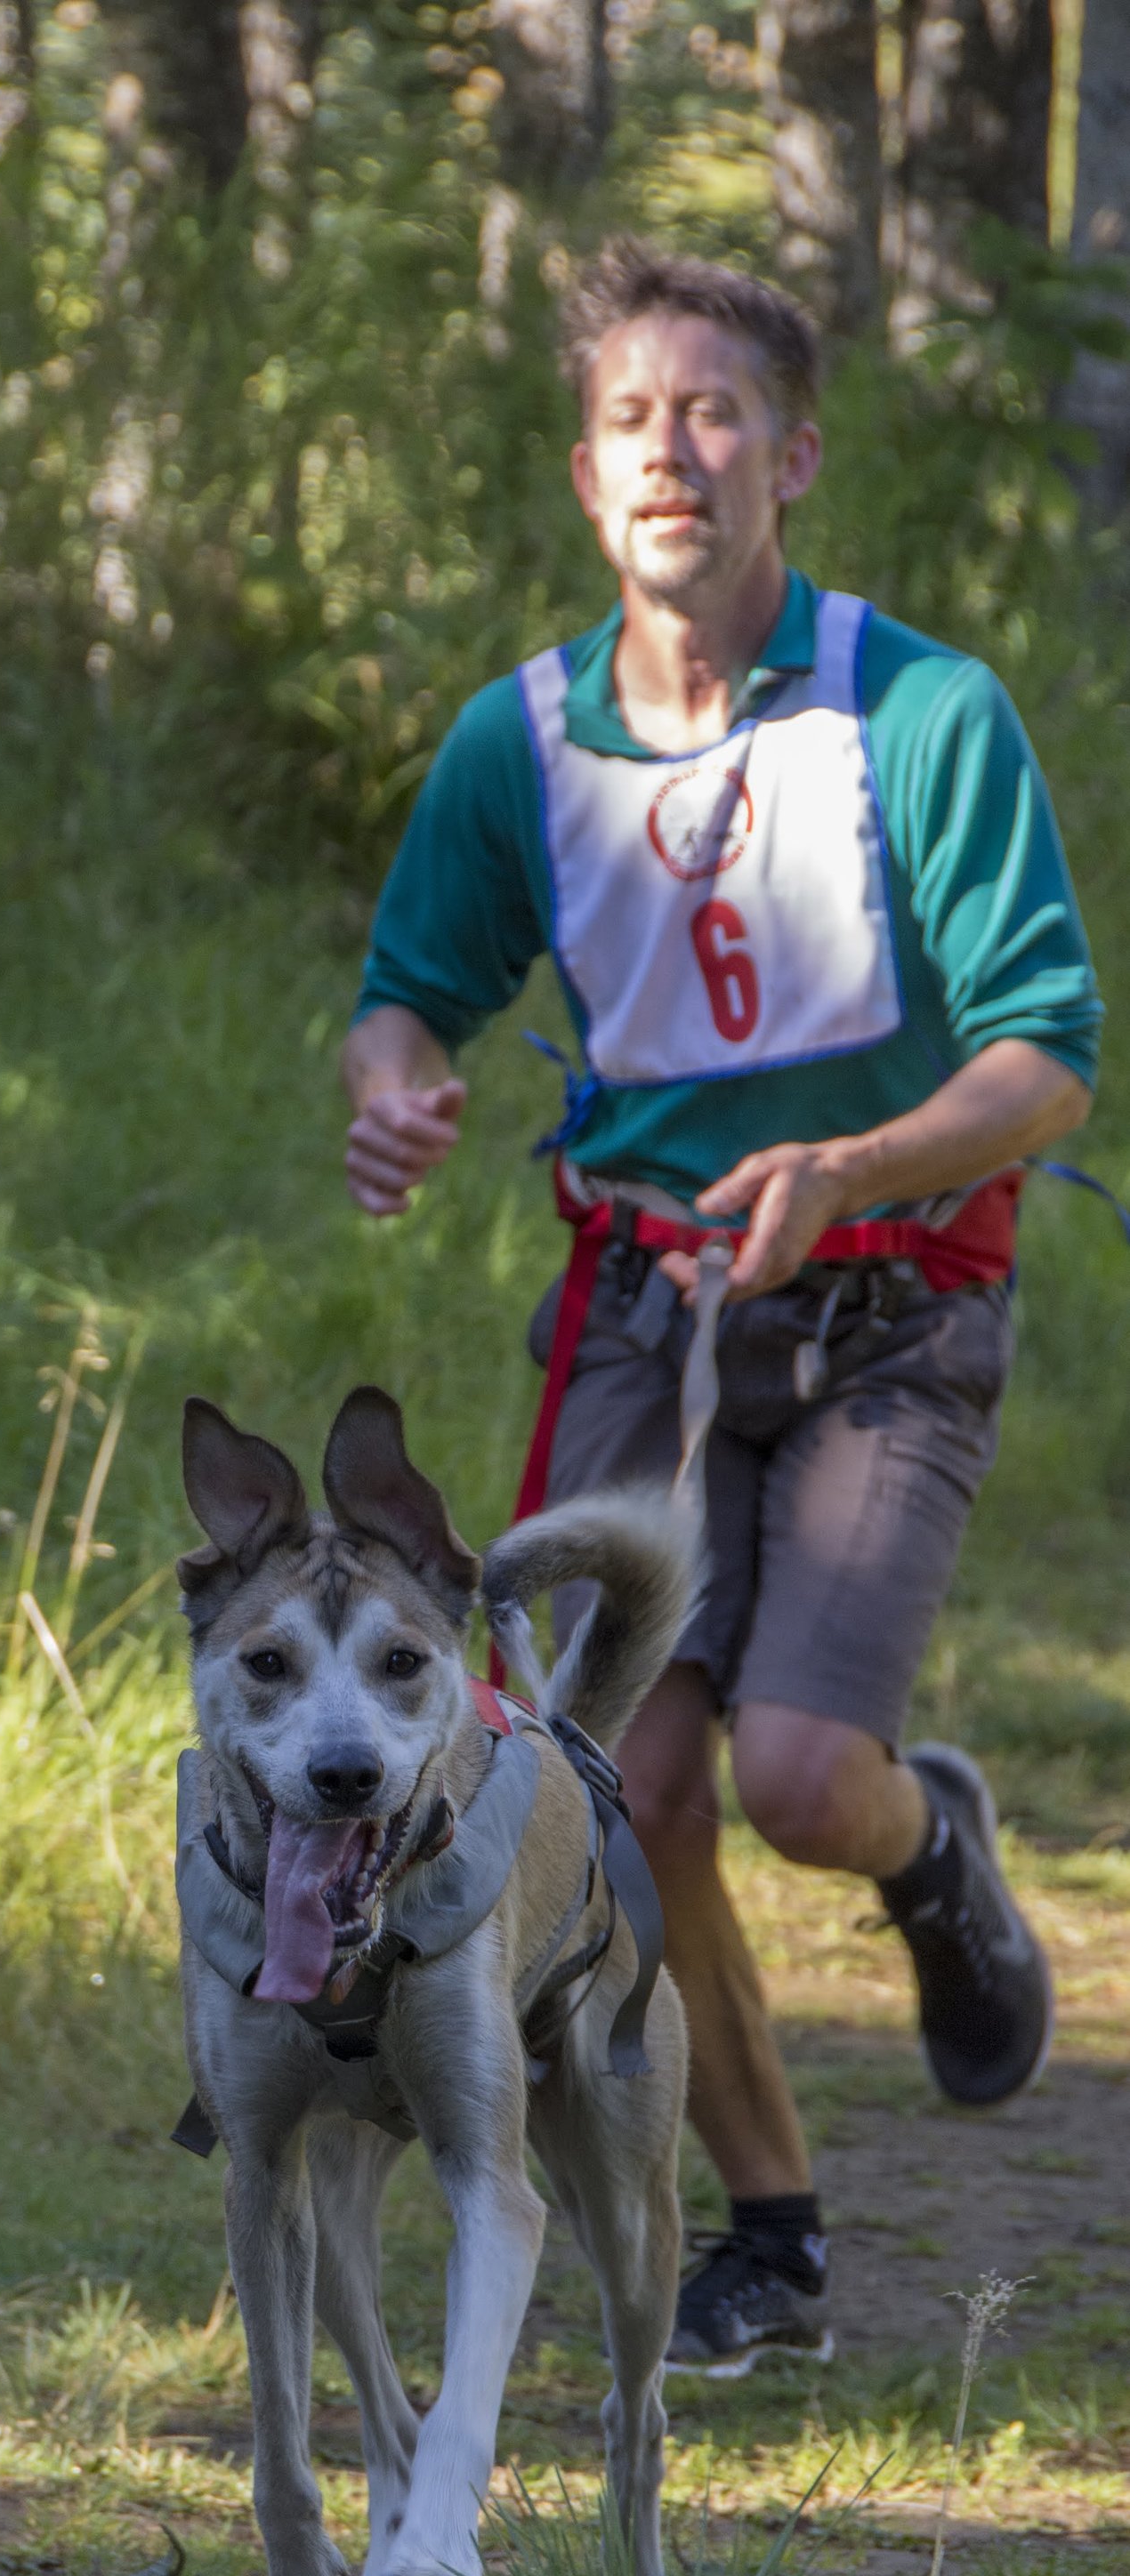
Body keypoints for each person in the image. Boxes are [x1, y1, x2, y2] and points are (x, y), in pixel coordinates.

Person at [341, 237, 1104, 2375]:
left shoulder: (917, 712)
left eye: (709, 412)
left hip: (891, 1306)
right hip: (644, 1308)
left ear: (789, 458)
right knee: (626, 1788)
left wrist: (848, 1168)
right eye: (626, 420)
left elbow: (1044, 1056)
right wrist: (394, 1092)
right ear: (585, 483)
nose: (668, 450)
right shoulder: (518, 744)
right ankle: (761, 2232)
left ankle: (925, 1841)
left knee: (784, 1772)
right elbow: (410, 996)